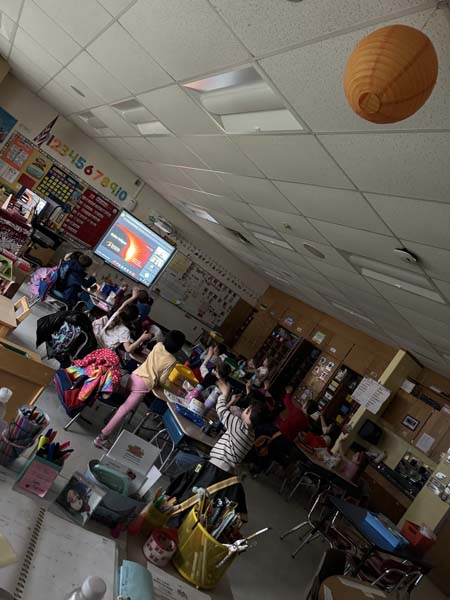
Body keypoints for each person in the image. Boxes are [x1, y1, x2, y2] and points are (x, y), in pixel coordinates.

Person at [166, 378, 266, 521]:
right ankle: (178, 496)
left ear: (248, 412)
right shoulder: (251, 434)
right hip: (225, 472)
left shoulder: (239, 425)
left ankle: (173, 501)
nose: (244, 410)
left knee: (182, 458)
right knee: (189, 472)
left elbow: (221, 410)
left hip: (215, 469)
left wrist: (224, 394)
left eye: (246, 410)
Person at [94, 329, 186, 449]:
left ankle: (109, 420)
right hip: (143, 386)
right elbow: (163, 380)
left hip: (134, 376)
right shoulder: (172, 361)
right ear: (178, 348)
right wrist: (175, 389)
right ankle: (102, 437)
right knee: (124, 409)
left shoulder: (158, 346)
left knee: (123, 402)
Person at [92, 287, 153, 354]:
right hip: (101, 351)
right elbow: (128, 349)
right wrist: (142, 338)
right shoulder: (125, 331)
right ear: (134, 320)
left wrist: (133, 297)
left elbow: (123, 305)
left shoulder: (115, 317)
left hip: (95, 341)